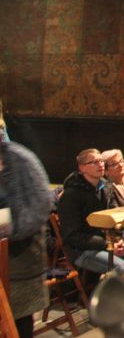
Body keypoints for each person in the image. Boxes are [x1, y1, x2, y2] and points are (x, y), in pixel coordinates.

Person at [57, 148, 124, 275]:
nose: (100, 165)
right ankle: (108, 289)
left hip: (108, 242)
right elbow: (73, 236)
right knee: (121, 267)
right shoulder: (71, 195)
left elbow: (114, 218)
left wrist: (118, 239)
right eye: (94, 162)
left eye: (101, 161)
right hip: (80, 250)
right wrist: (107, 244)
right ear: (82, 168)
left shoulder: (106, 187)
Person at [0, 140, 52, 338]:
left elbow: (39, 207)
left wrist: (8, 231)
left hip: (20, 255)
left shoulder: (20, 159)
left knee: (19, 319)